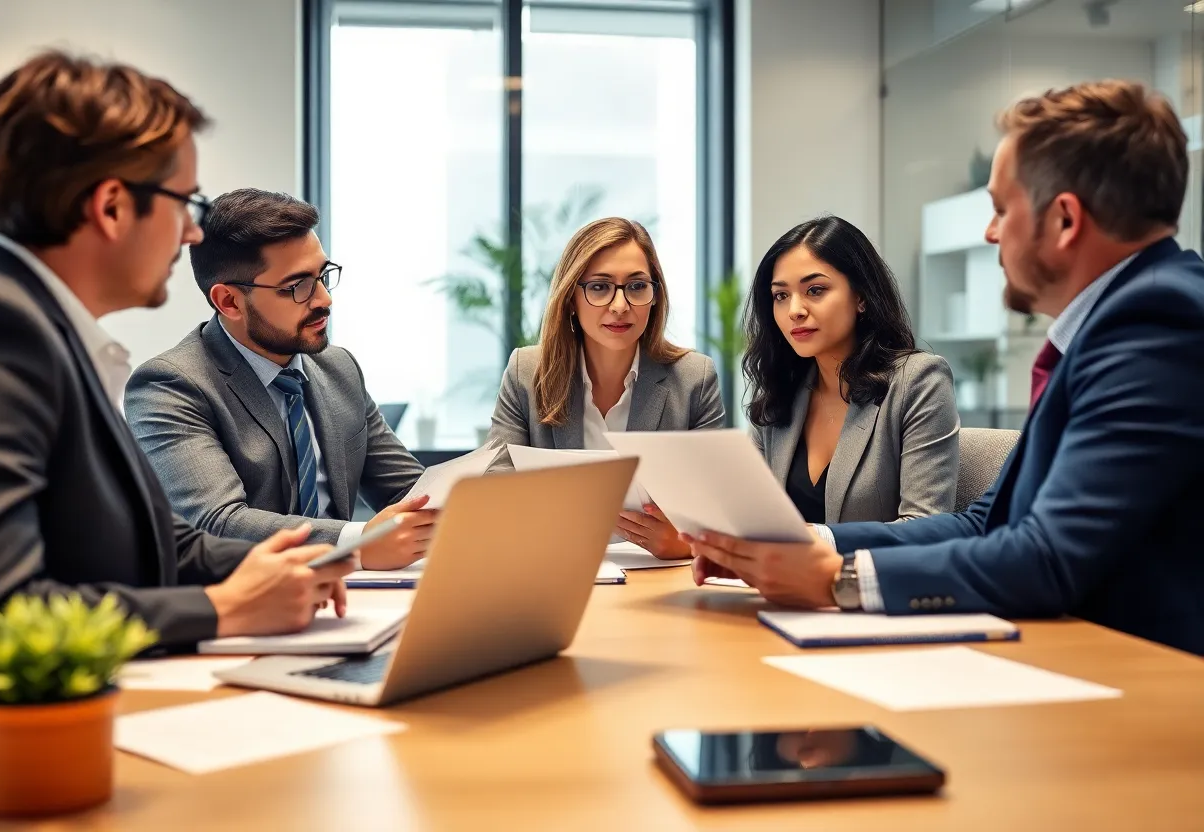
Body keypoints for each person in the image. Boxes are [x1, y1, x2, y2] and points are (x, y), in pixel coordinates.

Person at [686, 79, 1204, 657]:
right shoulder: (1112, 325)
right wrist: (814, 542)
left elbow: (1048, 557)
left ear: (1064, 220)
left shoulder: (1158, 321)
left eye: (1002, 209)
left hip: (1145, 676)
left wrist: (839, 580)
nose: (989, 233)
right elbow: (985, 524)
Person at [0, 52, 354, 649]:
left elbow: (154, 543)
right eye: (185, 202)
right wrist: (220, 610)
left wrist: (278, 564)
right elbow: (5, 606)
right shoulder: (6, 332)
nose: (191, 232)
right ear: (111, 207)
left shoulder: (48, 329)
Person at [125, 189, 433, 570]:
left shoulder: (338, 368)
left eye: (322, 275)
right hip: (247, 606)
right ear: (229, 302)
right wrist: (357, 543)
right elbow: (217, 523)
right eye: (297, 286)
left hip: (354, 596)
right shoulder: (170, 386)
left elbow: (412, 492)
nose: (324, 299)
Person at [486, 217, 725, 559]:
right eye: (599, 287)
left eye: (636, 286)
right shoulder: (527, 371)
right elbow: (495, 492)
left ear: (655, 296)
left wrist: (685, 544)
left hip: (656, 579)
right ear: (571, 298)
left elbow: (714, 510)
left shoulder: (693, 378)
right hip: (550, 567)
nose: (619, 306)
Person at [744, 216, 958, 524]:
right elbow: (751, 516)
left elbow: (924, 526)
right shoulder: (779, 391)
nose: (794, 311)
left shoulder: (920, 382)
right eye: (781, 295)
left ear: (861, 297)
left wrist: (819, 546)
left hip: (870, 573)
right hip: (779, 573)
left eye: (815, 290)